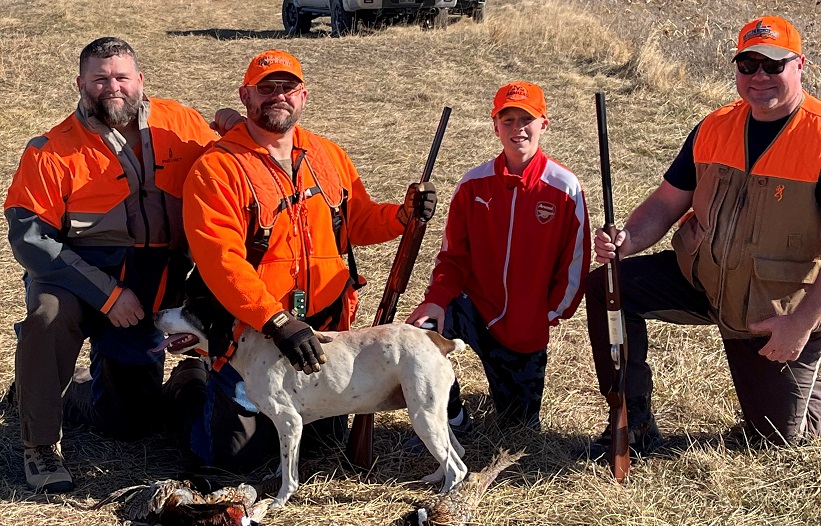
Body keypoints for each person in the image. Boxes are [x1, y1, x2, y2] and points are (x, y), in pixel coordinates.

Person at [180, 49, 437, 472]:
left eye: (288, 87)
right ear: (246, 96)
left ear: (303, 96)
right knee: (232, 459)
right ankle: (189, 385)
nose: (278, 96)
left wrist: (403, 214)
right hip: (253, 333)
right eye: (266, 88)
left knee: (321, 448)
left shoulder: (328, 155)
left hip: (323, 333)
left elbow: (357, 221)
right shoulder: (216, 170)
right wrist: (276, 321)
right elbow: (221, 262)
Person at [586, 15, 821, 459]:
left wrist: (800, 324)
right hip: (703, 278)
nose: (759, 77)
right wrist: (627, 239)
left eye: (773, 65)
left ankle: (811, 358)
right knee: (607, 285)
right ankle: (632, 419)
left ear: (800, 65)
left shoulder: (819, 136)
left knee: (779, 440)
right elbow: (666, 203)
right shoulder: (714, 126)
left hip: (773, 307)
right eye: (748, 64)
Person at [3, 37, 219, 492]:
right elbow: (31, 238)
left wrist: (235, 125)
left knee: (130, 423)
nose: (111, 87)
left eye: (121, 77)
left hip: (152, 277)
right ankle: (39, 444)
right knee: (48, 318)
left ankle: (75, 389)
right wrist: (108, 294)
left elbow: (230, 167)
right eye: (100, 79)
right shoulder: (49, 149)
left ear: (140, 80)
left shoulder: (183, 124)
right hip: (72, 273)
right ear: (80, 83)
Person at [404, 81, 590, 451]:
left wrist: (547, 314)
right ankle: (452, 417)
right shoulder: (473, 185)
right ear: (495, 126)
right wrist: (437, 300)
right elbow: (452, 257)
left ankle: (510, 397)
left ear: (544, 124)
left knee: (517, 431)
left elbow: (574, 266)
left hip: (524, 330)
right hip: (473, 307)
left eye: (527, 119)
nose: (517, 128)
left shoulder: (564, 188)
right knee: (419, 336)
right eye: (508, 120)